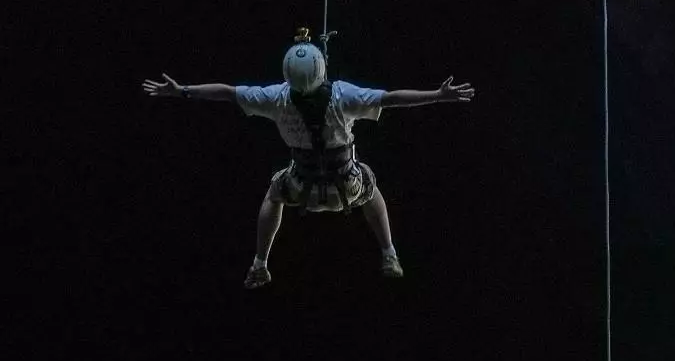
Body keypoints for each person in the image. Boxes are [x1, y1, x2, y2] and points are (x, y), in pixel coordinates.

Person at [143, 29, 475, 288]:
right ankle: (389, 252)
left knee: (274, 192)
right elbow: (391, 99)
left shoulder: (275, 98)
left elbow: (227, 92)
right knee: (370, 182)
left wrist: (182, 90)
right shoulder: (343, 95)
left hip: (300, 189)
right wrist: (437, 96)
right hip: (347, 187)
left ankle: (260, 263)